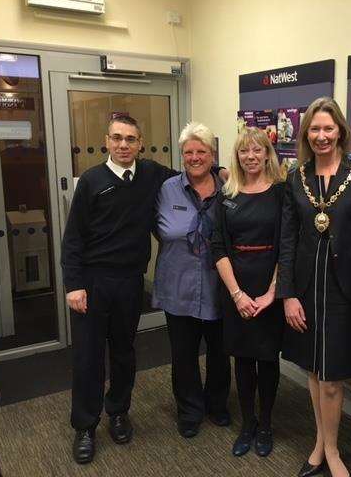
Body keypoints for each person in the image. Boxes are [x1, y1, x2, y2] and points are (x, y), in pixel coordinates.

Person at [61, 115, 177, 464]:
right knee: (89, 357)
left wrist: (224, 171)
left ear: (141, 142)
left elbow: (192, 172)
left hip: (129, 282)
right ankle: (85, 426)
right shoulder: (92, 181)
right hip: (93, 282)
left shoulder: (151, 174)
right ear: (106, 141)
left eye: (130, 139)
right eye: (117, 138)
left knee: (124, 352)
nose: (123, 145)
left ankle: (118, 412)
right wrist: (74, 285)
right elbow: (74, 239)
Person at [277, 97, 351, 477]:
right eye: (314, 129)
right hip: (305, 290)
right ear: (306, 134)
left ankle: (331, 450)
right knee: (314, 373)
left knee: (333, 378)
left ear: (340, 132)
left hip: (343, 290)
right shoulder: (295, 177)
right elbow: (288, 240)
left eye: (328, 129)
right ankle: (319, 442)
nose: (321, 136)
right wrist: (287, 295)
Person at [153, 122, 231, 440]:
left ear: (213, 155)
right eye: (189, 152)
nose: (195, 157)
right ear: (182, 155)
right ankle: (189, 410)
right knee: (183, 355)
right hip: (178, 285)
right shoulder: (166, 189)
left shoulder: (228, 188)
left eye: (202, 151)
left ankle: (217, 404)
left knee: (219, 351)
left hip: (219, 286)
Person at [211, 127, 285, 458]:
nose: (251, 156)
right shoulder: (227, 195)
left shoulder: (282, 194)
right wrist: (237, 295)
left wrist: (271, 293)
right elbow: (218, 248)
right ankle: (248, 424)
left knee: (267, 360)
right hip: (236, 288)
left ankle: (267, 424)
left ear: (268, 154)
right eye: (244, 151)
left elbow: (287, 247)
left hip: (269, 288)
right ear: (237, 156)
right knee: (242, 360)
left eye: (257, 150)